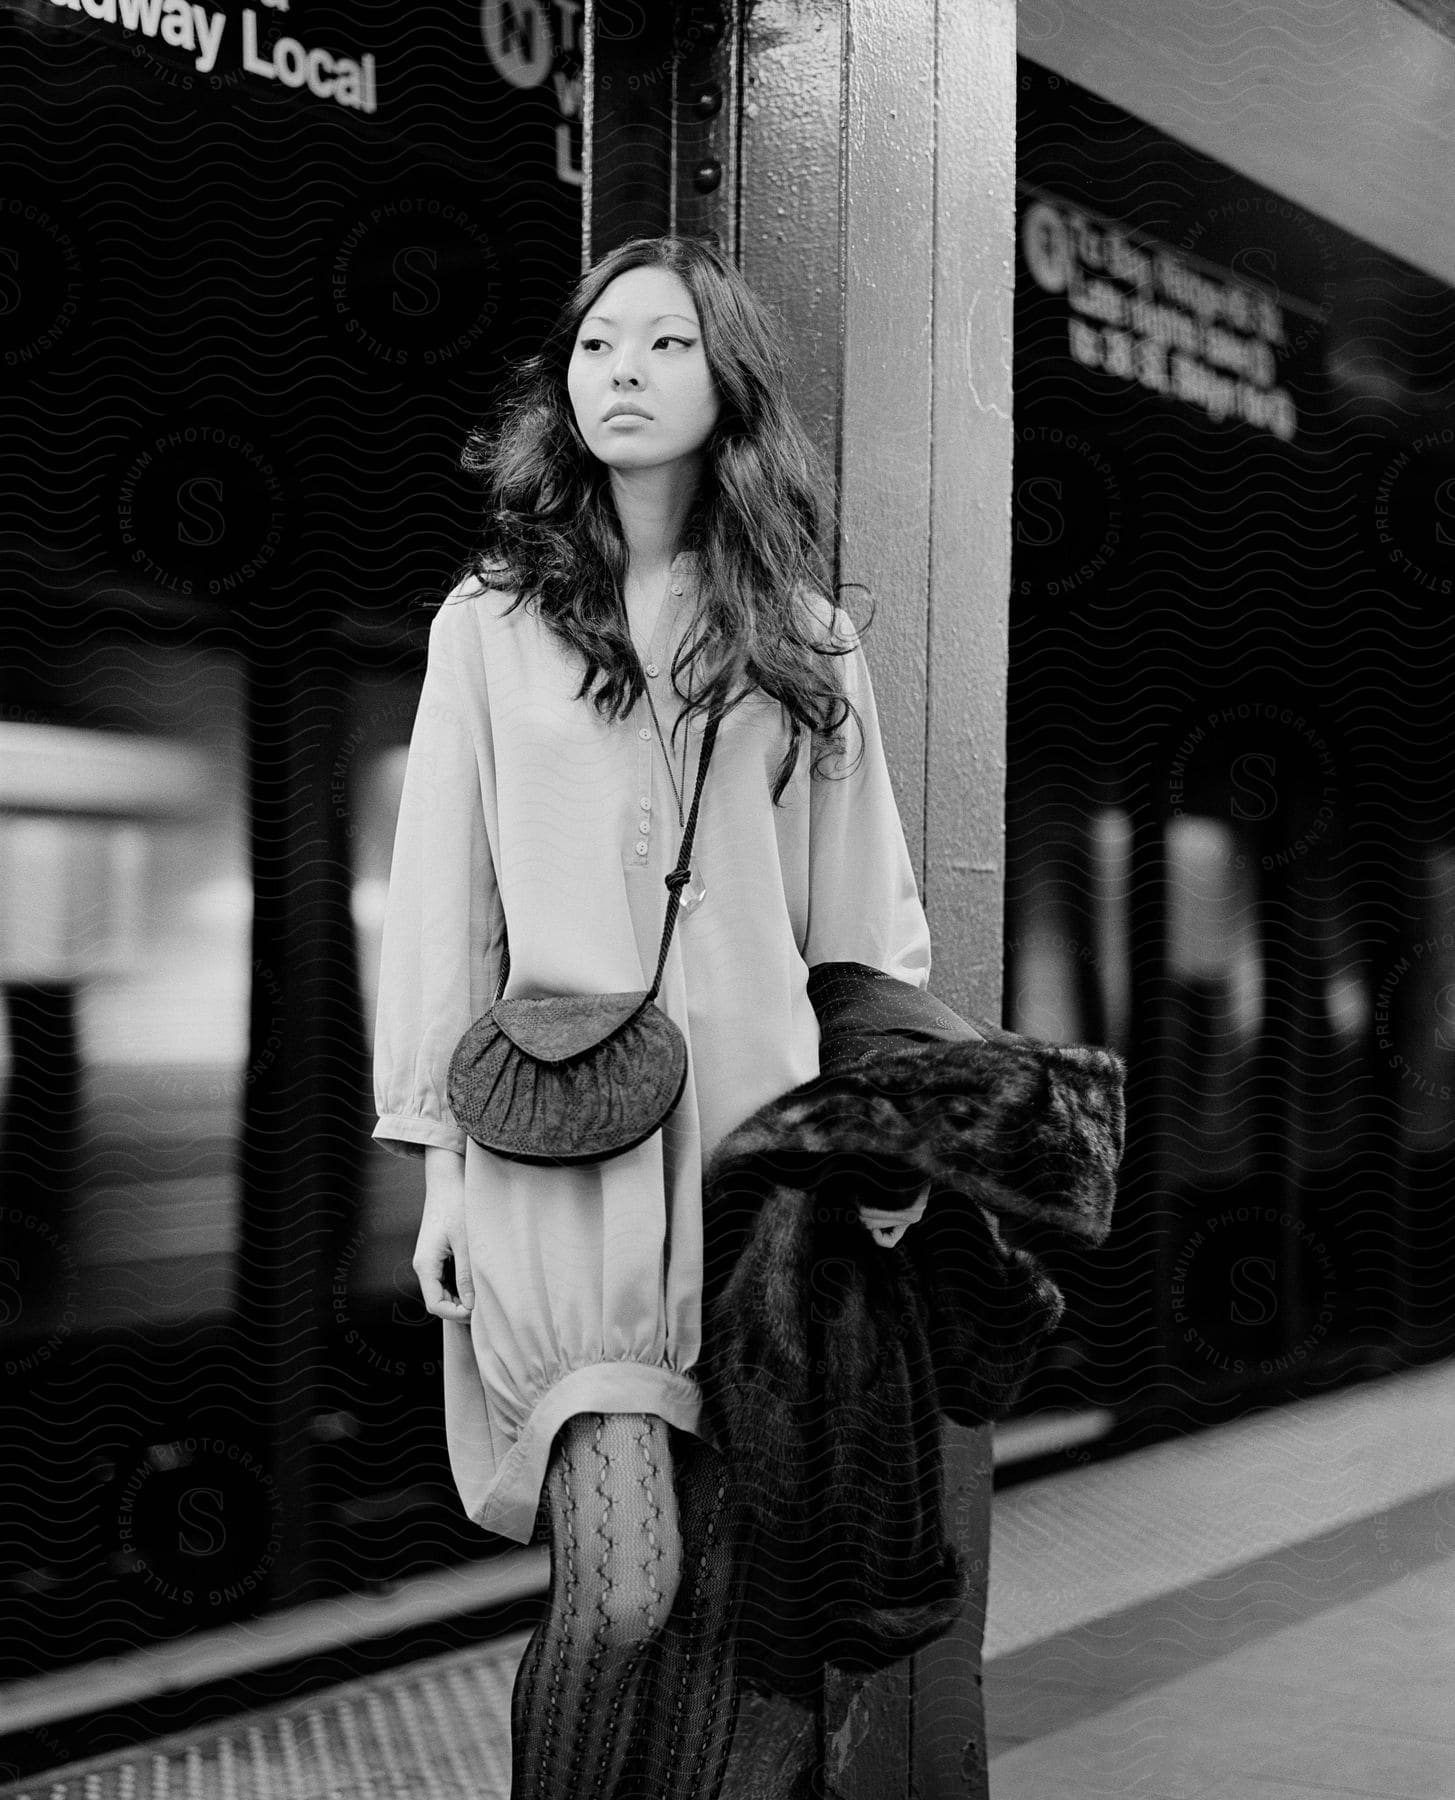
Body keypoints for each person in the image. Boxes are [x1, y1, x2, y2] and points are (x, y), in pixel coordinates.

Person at [371, 234, 932, 1799]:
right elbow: (440, 905)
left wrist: (876, 1154)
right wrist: (435, 1165)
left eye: (664, 345)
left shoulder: (806, 641)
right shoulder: (486, 626)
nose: (622, 372)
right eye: (599, 345)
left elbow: (862, 923)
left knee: (746, 1611)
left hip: (760, 1170)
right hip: (564, 1158)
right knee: (620, 1588)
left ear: (725, 381)